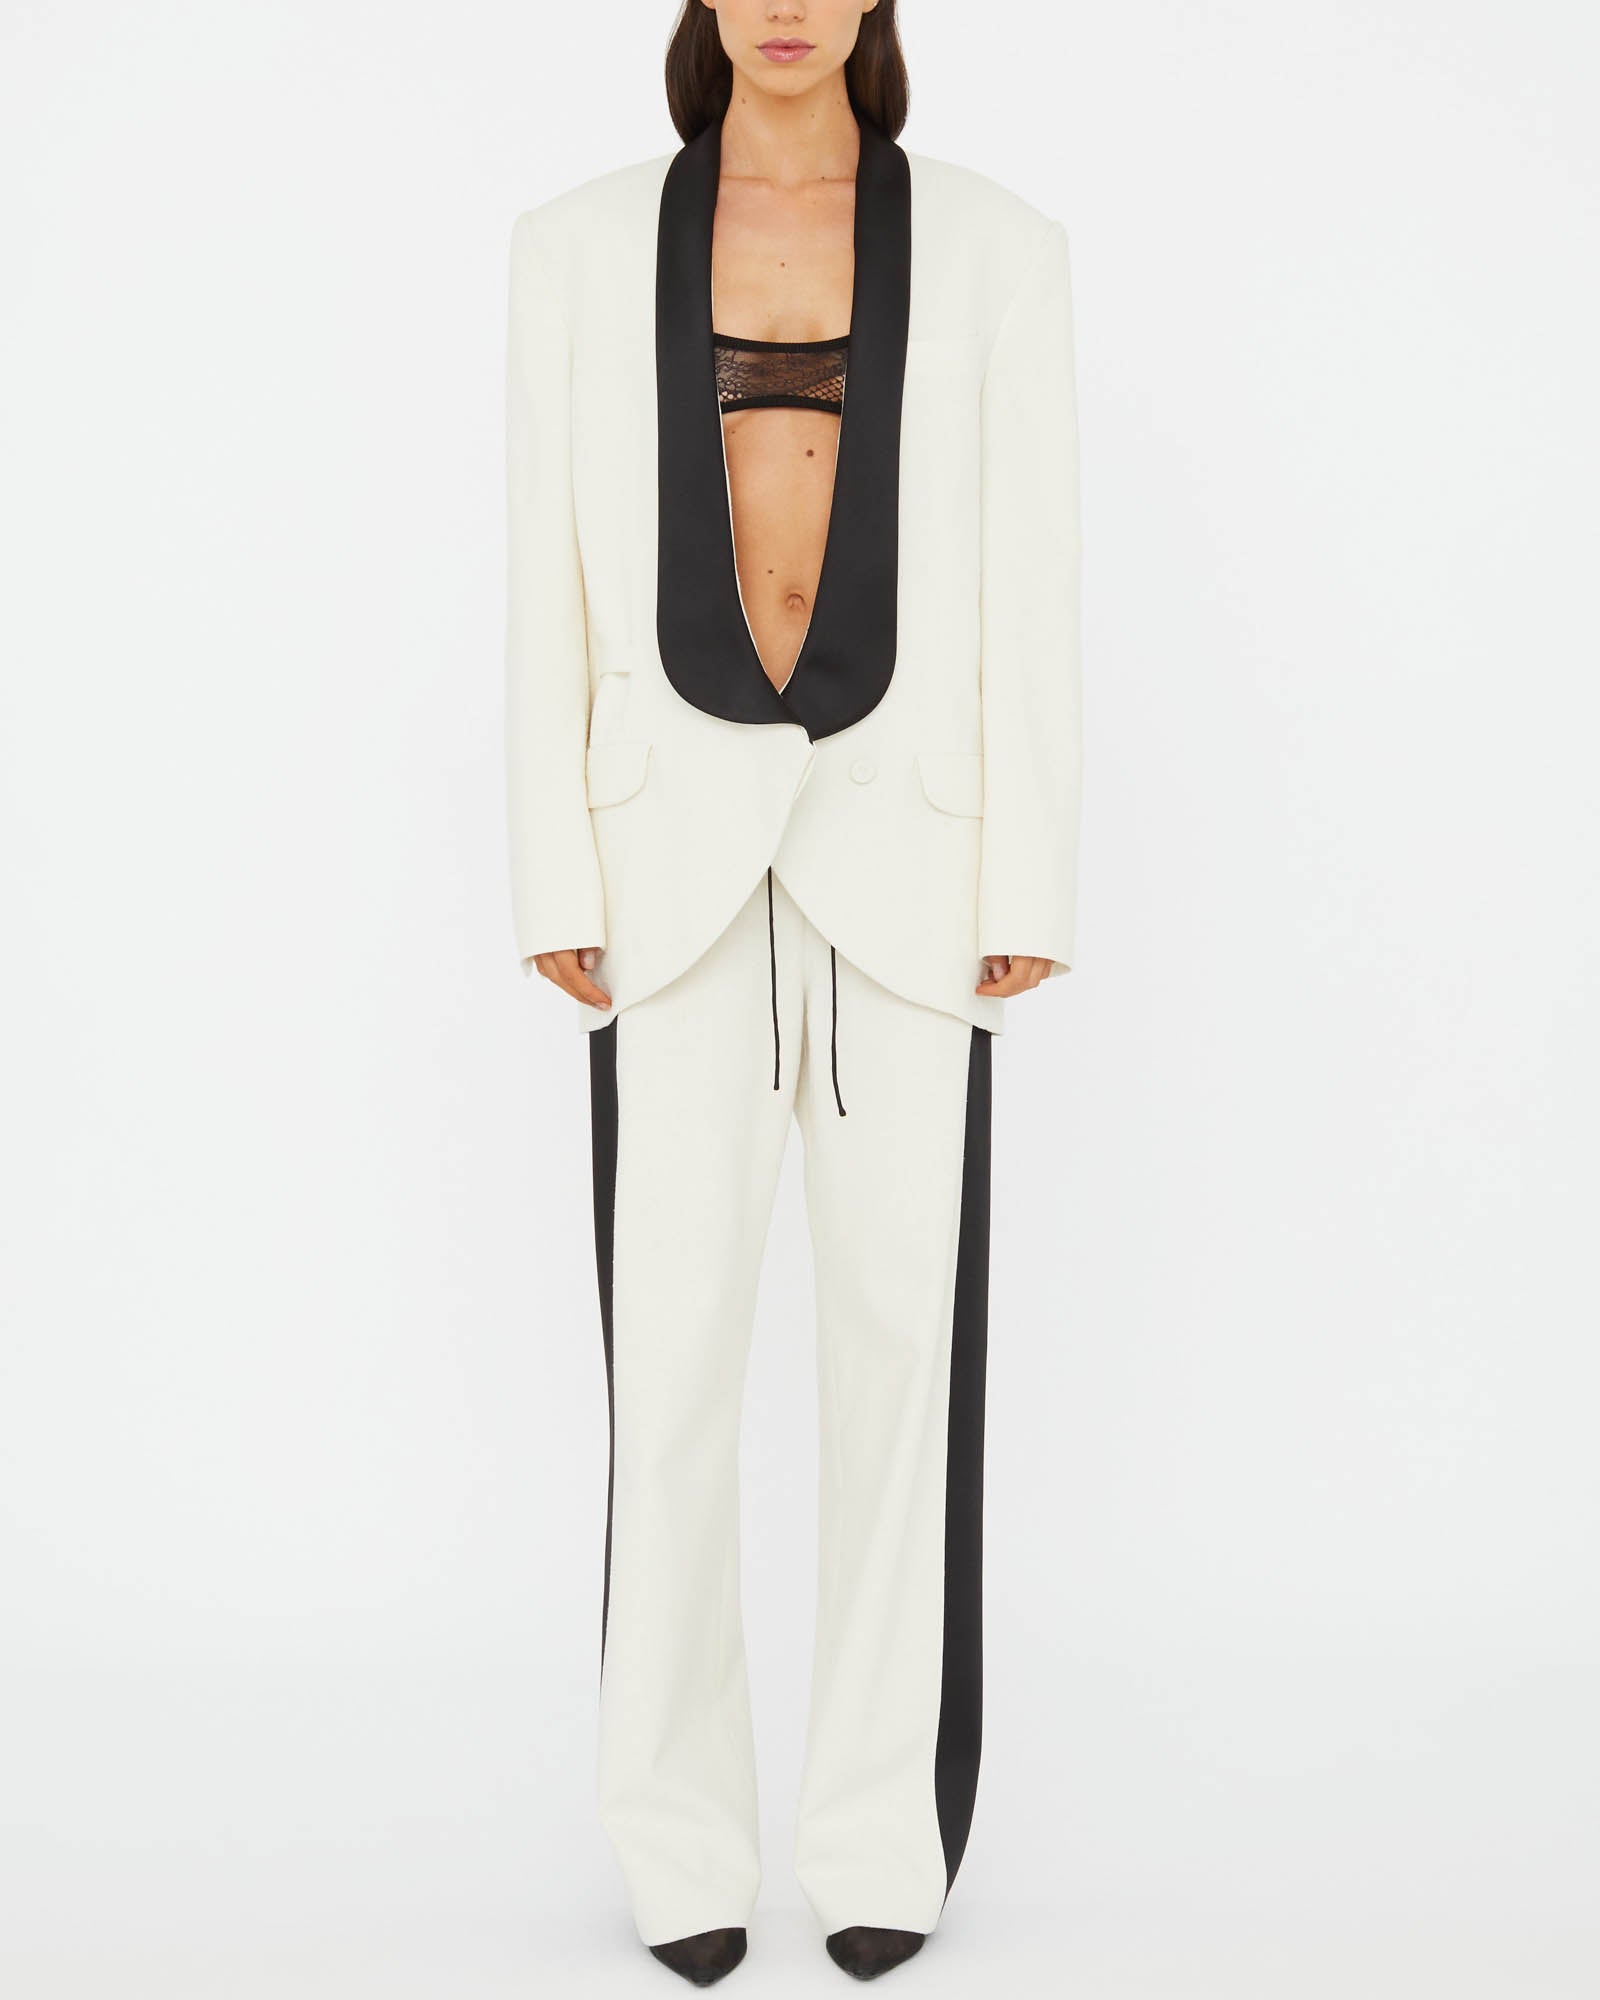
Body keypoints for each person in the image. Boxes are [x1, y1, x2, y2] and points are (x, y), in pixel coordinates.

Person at [504, 0, 1081, 1983]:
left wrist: (1027, 873)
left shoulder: (999, 247)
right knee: (665, 1381)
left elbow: (1032, 580)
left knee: (902, 1377)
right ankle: (676, 1843)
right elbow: (543, 576)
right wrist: (553, 868)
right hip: (663, 875)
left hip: (912, 872)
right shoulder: (574, 246)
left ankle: (875, 1839)